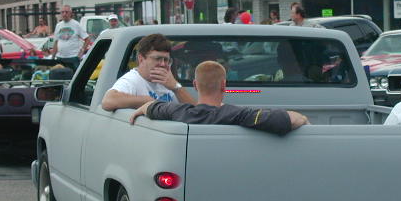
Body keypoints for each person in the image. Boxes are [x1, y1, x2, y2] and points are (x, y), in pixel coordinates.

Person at [130, 60, 309, 135]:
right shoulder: (238, 115)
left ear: (195, 85)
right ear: (224, 85)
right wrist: (303, 119)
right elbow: (290, 119)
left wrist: (140, 110)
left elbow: (151, 106)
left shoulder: (177, 111)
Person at [101, 33, 195, 111]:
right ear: (141, 59)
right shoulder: (132, 80)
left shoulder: (167, 83)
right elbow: (108, 101)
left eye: (166, 60)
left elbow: (196, 112)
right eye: (157, 59)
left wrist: (176, 87)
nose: (163, 64)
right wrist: (148, 101)